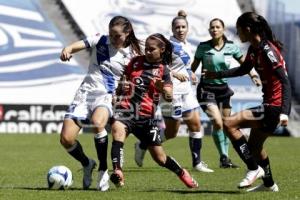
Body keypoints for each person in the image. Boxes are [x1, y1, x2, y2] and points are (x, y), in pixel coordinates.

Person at [203, 12, 291, 192]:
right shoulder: (254, 49)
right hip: (269, 104)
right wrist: (217, 74)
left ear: (248, 30)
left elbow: (285, 81)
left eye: (239, 31)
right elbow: (244, 69)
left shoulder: (267, 50)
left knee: (229, 123)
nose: (238, 34)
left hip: (273, 107)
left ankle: (253, 168)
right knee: (255, 147)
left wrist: (285, 111)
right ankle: (268, 184)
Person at [59, 16, 143, 191]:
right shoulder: (101, 39)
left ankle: (103, 170)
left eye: (117, 36)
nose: (112, 39)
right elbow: (76, 46)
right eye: (111, 34)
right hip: (84, 93)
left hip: (105, 94)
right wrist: (67, 49)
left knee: (98, 123)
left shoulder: (134, 54)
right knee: (66, 139)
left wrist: (124, 90)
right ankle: (87, 163)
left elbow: (134, 80)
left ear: (127, 33)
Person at [110, 33, 198, 189]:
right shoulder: (135, 62)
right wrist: (119, 90)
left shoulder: (164, 70)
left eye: (152, 49)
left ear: (162, 49)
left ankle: (182, 172)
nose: (148, 52)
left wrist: (162, 89)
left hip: (146, 118)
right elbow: (124, 78)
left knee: (160, 158)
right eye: (146, 49)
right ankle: (118, 171)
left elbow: (169, 97)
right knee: (117, 131)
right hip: (126, 111)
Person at [134, 10, 213, 173]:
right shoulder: (167, 45)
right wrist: (175, 74)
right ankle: (143, 144)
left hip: (186, 91)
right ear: (172, 29)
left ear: (188, 28)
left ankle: (197, 163)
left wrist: (190, 73)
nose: (181, 30)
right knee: (171, 133)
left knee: (196, 124)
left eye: (183, 27)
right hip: (170, 92)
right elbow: (158, 64)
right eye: (177, 27)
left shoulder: (187, 44)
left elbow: (183, 64)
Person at [191, 18, 261, 168]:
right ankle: (223, 156)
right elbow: (193, 67)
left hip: (223, 90)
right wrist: (190, 74)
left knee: (227, 123)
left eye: (217, 27)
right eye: (212, 27)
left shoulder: (231, 47)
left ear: (223, 30)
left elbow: (246, 64)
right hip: (206, 89)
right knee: (217, 122)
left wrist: (254, 75)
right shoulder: (203, 47)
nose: (214, 29)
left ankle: (225, 159)